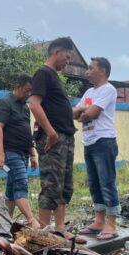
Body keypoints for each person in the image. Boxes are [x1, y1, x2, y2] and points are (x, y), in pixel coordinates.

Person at [28, 37, 85, 244]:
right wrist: (51, 133)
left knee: (63, 185)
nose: (67, 62)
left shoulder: (55, 78)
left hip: (65, 137)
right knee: (51, 184)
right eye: (67, 57)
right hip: (54, 138)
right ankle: (43, 233)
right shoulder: (43, 74)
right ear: (57, 53)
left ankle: (60, 229)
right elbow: (34, 105)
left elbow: (57, 109)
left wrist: (75, 112)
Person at [73, 58, 121, 240]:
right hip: (90, 142)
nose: (86, 71)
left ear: (102, 70)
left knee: (107, 182)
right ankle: (99, 221)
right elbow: (74, 114)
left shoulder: (108, 89)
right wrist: (85, 110)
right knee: (94, 183)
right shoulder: (88, 92)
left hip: (104, 141)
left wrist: (84, 111)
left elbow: (91, 114)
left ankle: (111, 224)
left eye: (90, 68)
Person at [0, 74, 40, 228]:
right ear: (18, 86)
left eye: (31, 92)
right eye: (27, 90)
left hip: (23, 153)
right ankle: (32, 221)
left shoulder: (25, 108)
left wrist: (33, 154)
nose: (29, 94)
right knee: (21, 183)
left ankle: (6, 222)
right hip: (10, 153)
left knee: (12, 187)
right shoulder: (5, 103)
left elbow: (27, 132)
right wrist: (0, 153)